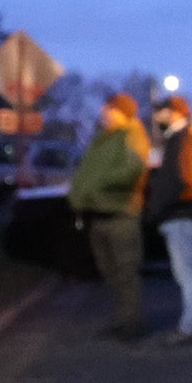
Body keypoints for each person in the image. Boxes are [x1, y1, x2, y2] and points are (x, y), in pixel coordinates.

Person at [70, 94, 151, 341]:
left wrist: (99, 187)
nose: (104, 113)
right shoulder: (102, 138)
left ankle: (132, 324)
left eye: (109, 109)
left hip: (121, 213)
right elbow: (86, 171)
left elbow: (134, 169)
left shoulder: (132, 134)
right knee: (109, 271)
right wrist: (79, 194)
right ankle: (122, 318)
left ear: (119, 111)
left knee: (125, 272)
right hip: (97, 213)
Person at [143, 92, 192, 340]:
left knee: (186, 272)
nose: (156, 116)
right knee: (187, 271)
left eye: (160, 111)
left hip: (180, 214)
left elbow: (182, 180)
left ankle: (191, 325)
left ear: (172, 112)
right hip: (189, 213)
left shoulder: (182, 139)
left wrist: (156, 205)